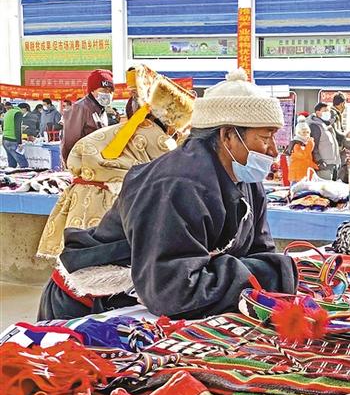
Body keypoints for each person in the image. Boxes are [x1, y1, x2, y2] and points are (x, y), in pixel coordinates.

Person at [38, 68, 297, 321]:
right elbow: (173, 291)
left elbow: (261, 254)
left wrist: (261, 271)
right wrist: (264, 273)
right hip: (90, 307)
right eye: (266, 138)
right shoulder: (175, 184)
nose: (274, 151)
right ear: (228, 135)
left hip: (147, 305)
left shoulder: (247, 181)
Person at [37, 65, 194, 258]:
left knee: (80, 261)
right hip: (105, 201)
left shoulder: (131, 125)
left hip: (84, 195)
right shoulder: (160, 139)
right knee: (101, 264)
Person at [61, 69, 114, 162]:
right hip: (82, 162)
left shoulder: (101, 109)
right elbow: (70, 140)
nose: (108, 94)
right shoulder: (80, 107)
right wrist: (69, 163)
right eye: (104, 90)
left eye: (110, 91)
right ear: (92, 90)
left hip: (96, 160)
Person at [307, 102, 340, 180]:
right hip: (323, 166)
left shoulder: (326, 126)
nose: (328, 113)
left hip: (331, 164)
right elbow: (314, 146)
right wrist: (319, 161)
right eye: (325, 111)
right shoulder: (315, 127)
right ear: (318, 112)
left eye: (328, 111)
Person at [284, 116, 317, 184]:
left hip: (303, 174)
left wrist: (313, 165)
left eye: (308, 132)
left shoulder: (304, 143)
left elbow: (307, 159)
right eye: (304, 132)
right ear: (298, 133)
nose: (306, 134)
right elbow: (303, 155)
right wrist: (310, 144)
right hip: (297, 175)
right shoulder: (296, 144)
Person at [331, 92, 350, 182]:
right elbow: (335, 131)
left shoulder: (333, 113)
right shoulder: (333, 114)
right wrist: (346, 136)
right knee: (338, 174)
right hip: (336, 149)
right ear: (342, 104)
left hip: (335, 149)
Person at [1, 103, 28, 168]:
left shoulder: (7, 113)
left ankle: (11, 172)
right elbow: (17, 128)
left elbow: (3, 126)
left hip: (5, 139)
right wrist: (19, 142)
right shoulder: (17, 113)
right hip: (12, 140)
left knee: (12, 163)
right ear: (22, 109)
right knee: (23, 163)